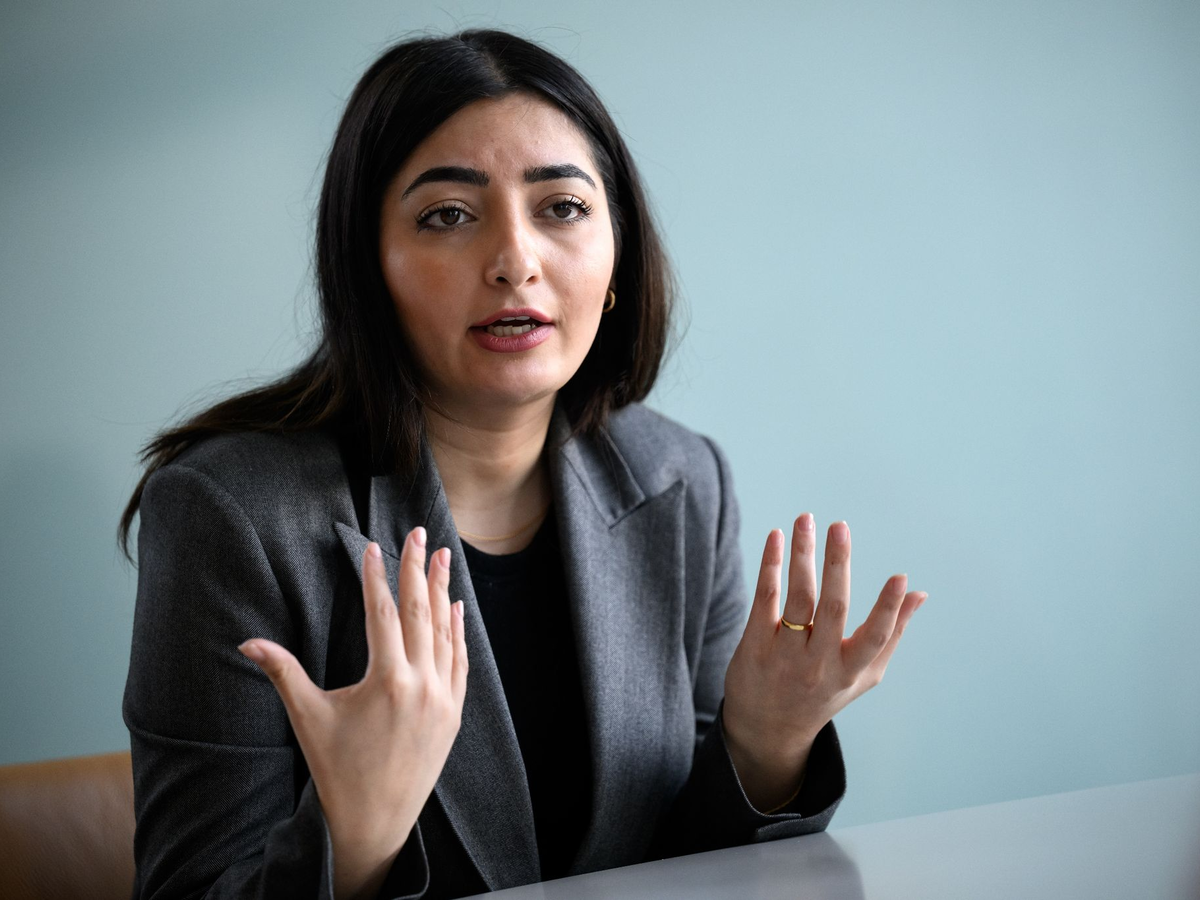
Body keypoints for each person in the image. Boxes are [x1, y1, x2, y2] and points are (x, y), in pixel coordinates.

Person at [120, 28, 926, 900]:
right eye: (448, 215)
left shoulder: (681, 480)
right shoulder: (230, 511)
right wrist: (356, 835)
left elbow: (687, 867)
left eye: (562, 208)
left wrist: (763, 747)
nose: (514, 262)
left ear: (617, 259)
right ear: (368, 266)